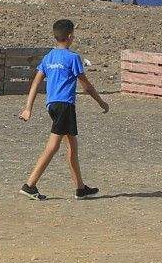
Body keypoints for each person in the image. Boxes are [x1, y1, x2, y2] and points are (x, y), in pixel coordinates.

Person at [18, 17, 108, 198]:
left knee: (72, 146)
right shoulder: (73, 58)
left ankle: (80, 188)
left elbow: (36, 82)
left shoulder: (48, 57)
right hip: (65, 106)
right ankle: (30, 185)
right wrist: (101, 102)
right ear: (70, 36)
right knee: (53, 147)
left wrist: (28, 107)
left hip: (52, 105)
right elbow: (86, 86)